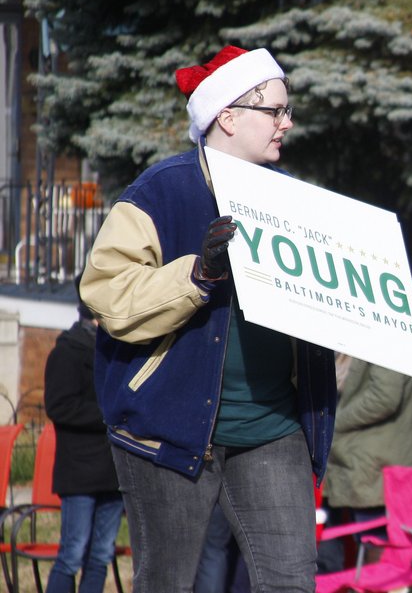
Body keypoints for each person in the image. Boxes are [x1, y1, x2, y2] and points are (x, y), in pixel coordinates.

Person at [79, 45, 339, 593]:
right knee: (168, 583)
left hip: (273, 430)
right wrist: (197, 275)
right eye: (276, 110)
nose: (287, 123)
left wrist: (381, 313)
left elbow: (320, 314)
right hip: (167, 431)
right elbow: (106, 293)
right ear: (228, 115)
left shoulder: (295, 201)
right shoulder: (160, 190)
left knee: (292, 583)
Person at [43, 275, 125, 593]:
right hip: (79, 472)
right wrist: (109, 415)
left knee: (100, 556)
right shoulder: (67, 352)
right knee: (71, 554)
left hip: (110, 472)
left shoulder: (117, 353)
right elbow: (59, 406)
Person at [320, 355, 412, 571]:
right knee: (347, 544)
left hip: (373, 462)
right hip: (353, 459)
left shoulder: (387, 335)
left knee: (375, 546)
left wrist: (335, 420)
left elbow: (384, 397)